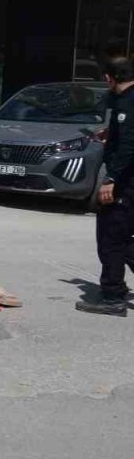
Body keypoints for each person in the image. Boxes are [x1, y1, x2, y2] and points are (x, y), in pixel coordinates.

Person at [79, 56, 134, 316]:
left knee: (111, 239)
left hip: (125, 182)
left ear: (110, 78)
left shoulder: (128, 103)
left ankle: (113, 297)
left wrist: (110, 179)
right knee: (121, 238)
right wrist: (111, 134)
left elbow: (129, 146)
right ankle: (115, 290)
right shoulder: (124, 101)